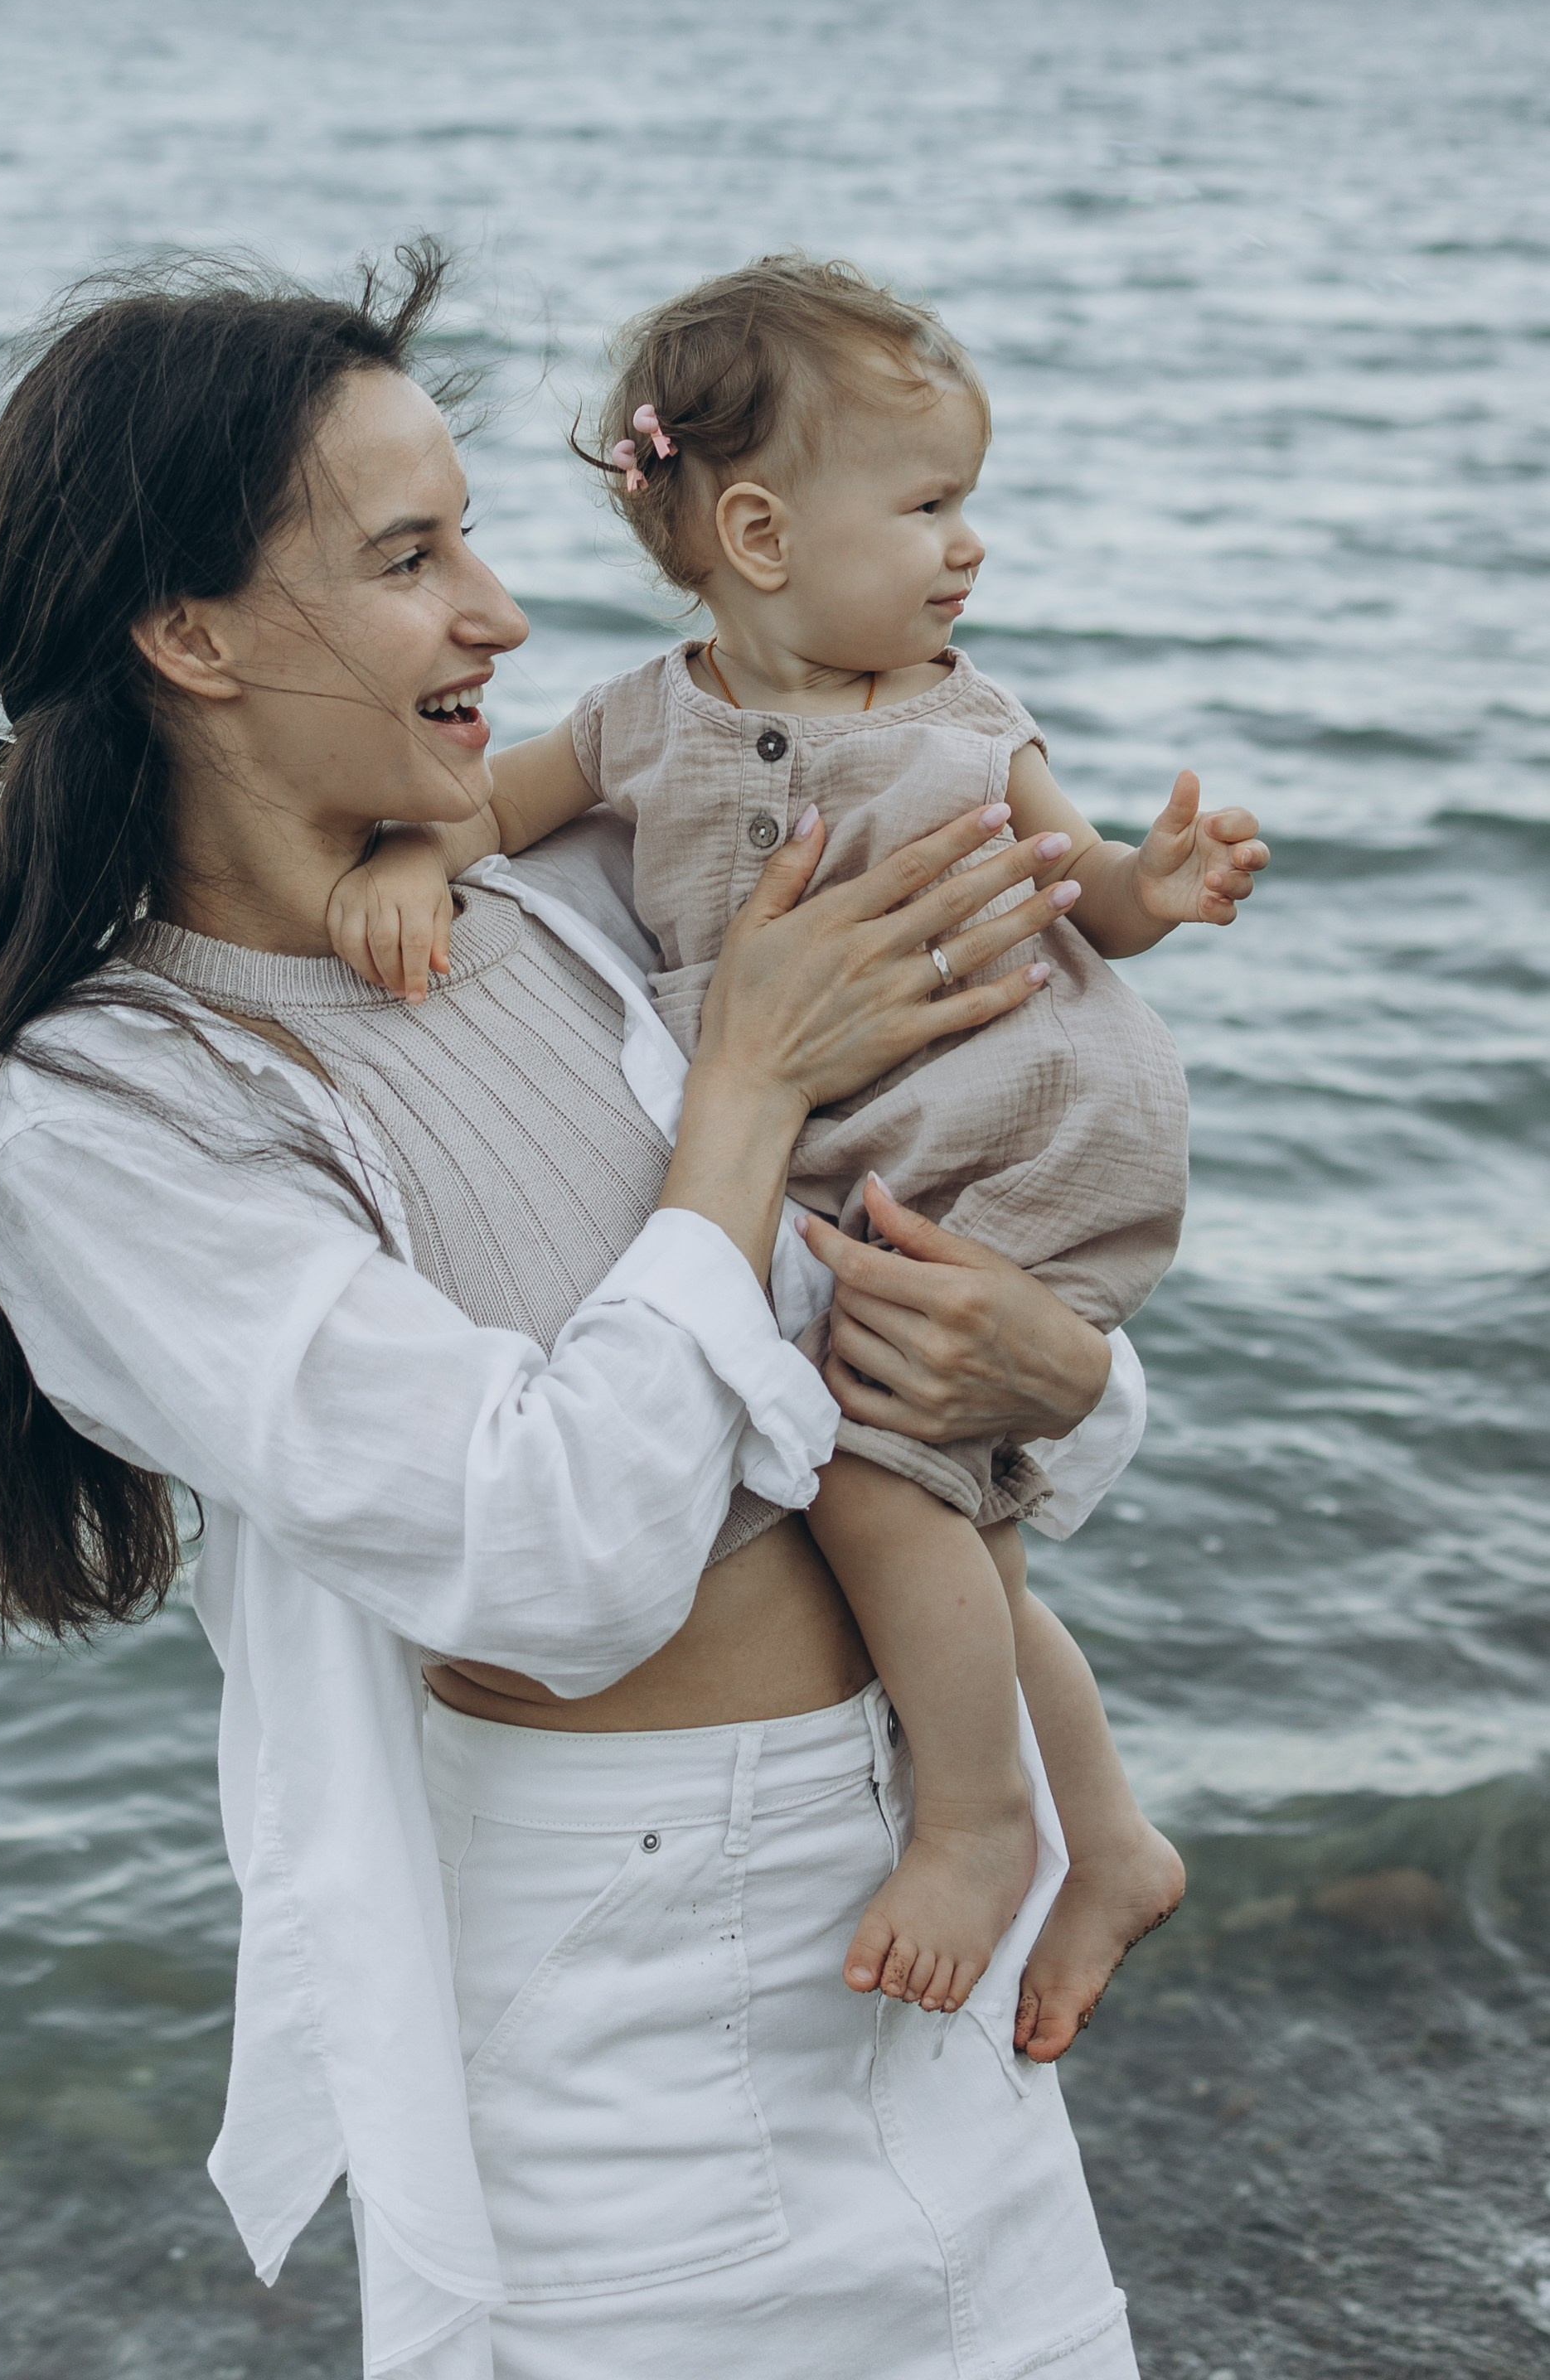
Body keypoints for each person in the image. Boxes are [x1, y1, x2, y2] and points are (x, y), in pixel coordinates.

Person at [0, 247, 1156, 2380]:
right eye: (413, 554)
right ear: (191, 634)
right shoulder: (111, 1119)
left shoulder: (553, 901)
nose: (505, 614)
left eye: (479, 534)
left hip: (926, 1913)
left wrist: (1068, 1375)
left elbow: (937, 1315)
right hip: (631, 2030)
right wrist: (739, 1098)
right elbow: (551, 1554)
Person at [330, 255, 1266, 2045]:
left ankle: (981, 1816)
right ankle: (1110, 1832)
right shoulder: (638, 720)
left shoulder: (969, 717)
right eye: (927, 505)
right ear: (756, 532)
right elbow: (489, 804)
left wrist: (1164, 882)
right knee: (956, 1530)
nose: (967, 546)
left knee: (852, 1462)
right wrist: (397, 860)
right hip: (889, 1157)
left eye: (965, 505)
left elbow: (1096, 899)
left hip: (1010, 1134)